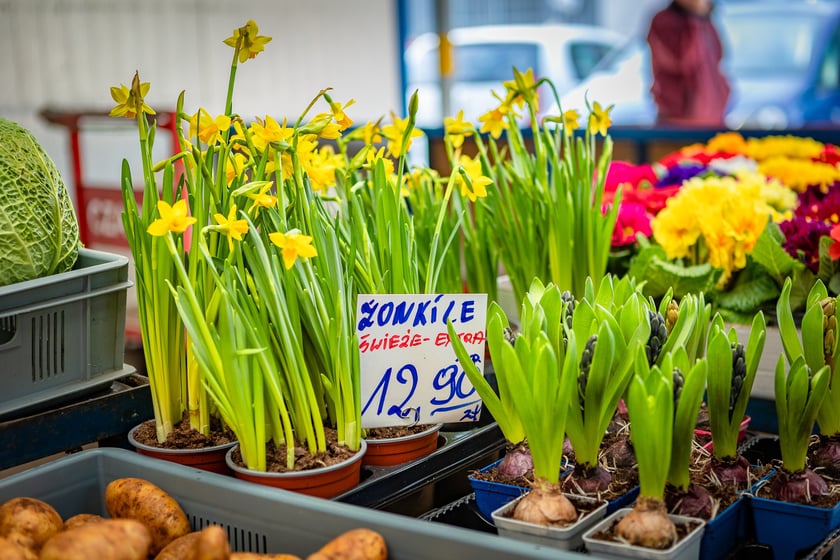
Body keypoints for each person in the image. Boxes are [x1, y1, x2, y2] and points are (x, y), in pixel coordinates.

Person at [646, 0, 730, 127]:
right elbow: (681, 60)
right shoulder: (664, 21)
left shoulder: (705, 21)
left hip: (713, 118)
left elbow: (719, 57)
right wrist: (695, 18)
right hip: (678, 120)